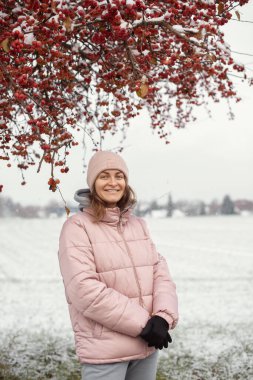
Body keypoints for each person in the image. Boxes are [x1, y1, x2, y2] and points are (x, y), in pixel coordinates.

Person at [58, 151, 179, 380]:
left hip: (147, 346)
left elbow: (160, 273)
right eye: (104, 176)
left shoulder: (138, 225)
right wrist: (145, 324)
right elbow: (84, 290)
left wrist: (163, 318)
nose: (113, 182)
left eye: (119, 176)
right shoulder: (76, 228)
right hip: (106, 350)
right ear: (93, 183)